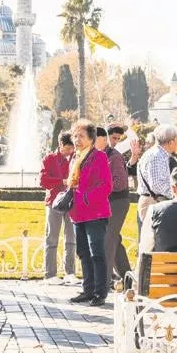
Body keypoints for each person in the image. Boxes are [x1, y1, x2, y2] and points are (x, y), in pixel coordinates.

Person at [67, 120, 112, 307]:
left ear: (91, 139)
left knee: (97, 253)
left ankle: (100, 292)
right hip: (78, 213)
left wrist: (86, 197)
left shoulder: (98, 157)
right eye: (75, 136)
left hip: (95, 213)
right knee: (83, 252)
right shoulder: (76, 157)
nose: (77, 139)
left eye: (81, 136)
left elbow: (106, 185)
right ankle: (88, 289)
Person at [39, 132, 78, 285]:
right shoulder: (49, 159)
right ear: (60, 145)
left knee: (71, 238)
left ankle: (70, 272)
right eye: (67, 148)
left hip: (71, 201)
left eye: (72, 148)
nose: (70, 151)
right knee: (51, 238)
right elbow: (43, 181)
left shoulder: (76, 158)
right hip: (53, 202)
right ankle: (50, 274)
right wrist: (61, 181)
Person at [100, 125, 131, 287]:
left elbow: (120, 183)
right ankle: (128, 278)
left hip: (118, 201)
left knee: (108, 240)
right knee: (114, 240)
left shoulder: (114, 156)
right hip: (108, 201)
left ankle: (103, 283)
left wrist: (99, 187)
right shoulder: (98, 155)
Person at [136, 124, 177, 239]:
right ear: (170, 142)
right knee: (154, 243)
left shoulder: (159, 154)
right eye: (176, 140)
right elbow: (156, 185)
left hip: (155, 201)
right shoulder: (157, 156)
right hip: (153, 201)